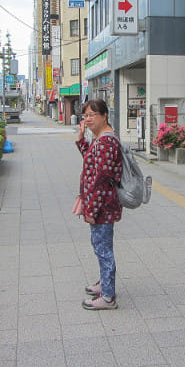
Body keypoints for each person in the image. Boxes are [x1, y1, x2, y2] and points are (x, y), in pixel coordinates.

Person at [75, 99, 123, 310]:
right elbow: (92, 162)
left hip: (102, 205)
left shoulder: (106, 142)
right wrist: (81, 140)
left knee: (103, 249)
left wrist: (91, 210)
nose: (88, 119)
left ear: (104, 115)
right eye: (86, 115)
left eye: (93, 114)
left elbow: (101, 178)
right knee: (100, 246)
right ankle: (105, 284)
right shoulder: (101, 139)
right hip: (102, 203)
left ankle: (108, 297)